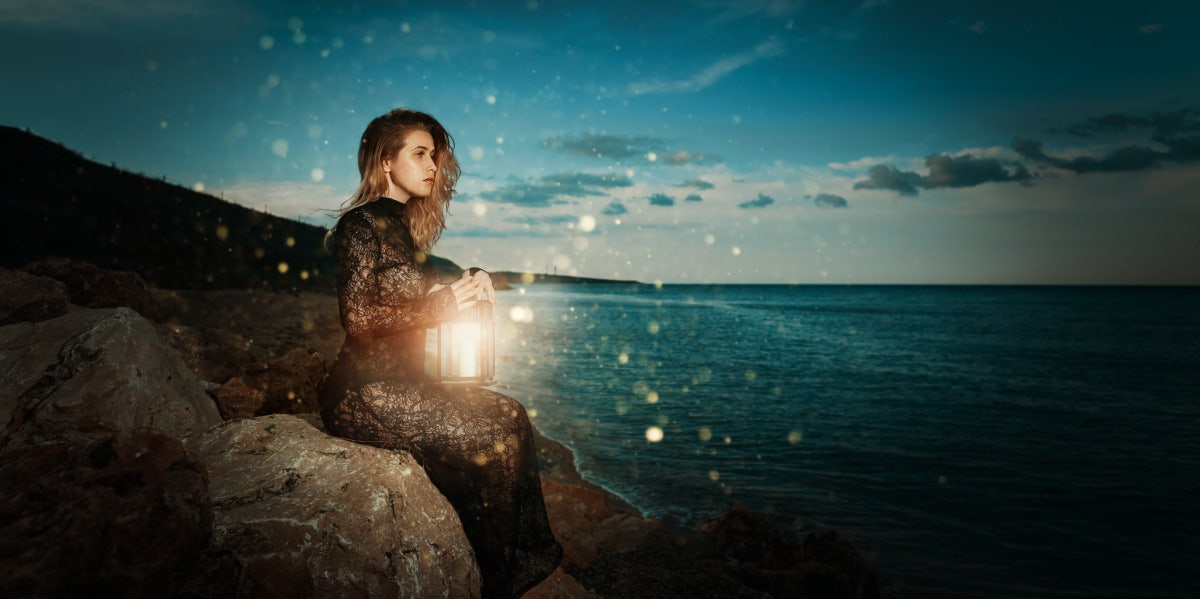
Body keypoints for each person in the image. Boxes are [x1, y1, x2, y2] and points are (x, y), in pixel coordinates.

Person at [319, 108, 562, 598]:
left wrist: (472, 282)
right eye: (420, 153)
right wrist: (446, 300)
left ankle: (503, 569)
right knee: (497, 436)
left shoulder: (405, 231)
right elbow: (360, 318)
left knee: (512, 415)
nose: (433, 165)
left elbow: (416, 302)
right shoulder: (360, 226)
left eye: (435, 156)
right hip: (363, 390)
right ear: (386, 162)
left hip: (406, 383)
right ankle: (495, 581)